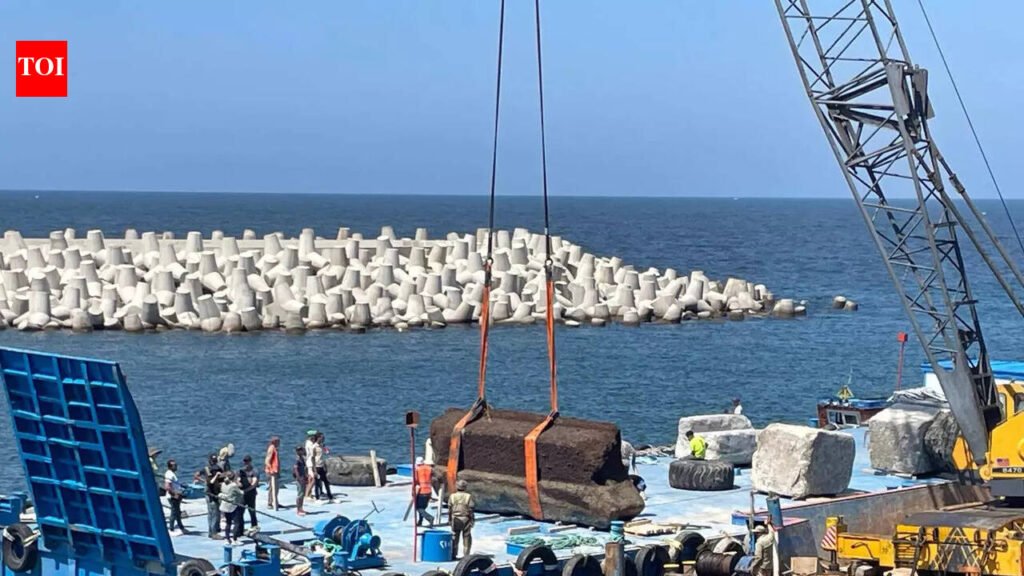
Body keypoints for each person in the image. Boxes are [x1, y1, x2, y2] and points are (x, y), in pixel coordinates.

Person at [448, 479, 475, 558]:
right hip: (465, 519)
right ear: (465, 487)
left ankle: (453, 554)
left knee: (455, 537)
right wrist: (472, 519)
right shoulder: (468, 496)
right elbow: (471, 509)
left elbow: (449, 509)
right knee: (467, 537)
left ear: (457, 487)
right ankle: (466, 555)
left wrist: (449, 519)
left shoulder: (452, 496)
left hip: (455, 519)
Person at [200, 454, 224, 538]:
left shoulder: (213, 469)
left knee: (211, 513)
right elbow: (211, 482)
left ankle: (211, 531)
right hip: (212, 494)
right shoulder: (211, 470)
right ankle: (213, 533)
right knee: (214, 513)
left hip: (211, 493)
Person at [219, 472, 244, 544]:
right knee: (236, 522)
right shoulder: (233, 485)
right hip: (232, 505)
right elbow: (241, 493)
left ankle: (227, 539)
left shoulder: (223, 484)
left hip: (224, 505)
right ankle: (234, 539)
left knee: (228, 522)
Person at [164, 459, 186, 534]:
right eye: (174, 465)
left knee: (177, 512)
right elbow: (167, 486)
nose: (176, 466)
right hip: (172, 496)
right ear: (170, 466)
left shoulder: (172, 474)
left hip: (177, 495)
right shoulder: (169, 474)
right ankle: (171, 529)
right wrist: (174, 494)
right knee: (174, 512)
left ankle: (181, 527)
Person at [239, 455, 260, 529]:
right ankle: (240, 529)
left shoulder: (254, 471)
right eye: (245, 461)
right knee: (240, 512)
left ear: (250, 461)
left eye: (247, 461)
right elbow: (237, 480)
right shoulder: (241, 471)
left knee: (252, 511)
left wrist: (246, 490)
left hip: (251, 494)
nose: (246, 463)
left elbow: (254, 484)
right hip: (242, 495)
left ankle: (254, 526)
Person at [413, 456, 434, 526]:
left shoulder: (417, 469)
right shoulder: (429, 468)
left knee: (419, 508)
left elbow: (415, 481)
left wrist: (413, 492)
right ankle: (420, 521)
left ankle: (429, 518)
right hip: (429, 490)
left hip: (421, 491)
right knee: (423, 508)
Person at [313, 433, 333, 502]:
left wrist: (324, 447)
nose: (323, 439)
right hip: (317, 466)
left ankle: (330, 496)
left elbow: (326, 453)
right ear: (318, 438)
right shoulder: (314, 447)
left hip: (321, 465)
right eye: (321, 438)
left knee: (326, 482)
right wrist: (314, 470)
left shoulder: (321, 446)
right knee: (317, 483)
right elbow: (312, 458)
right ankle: (317, 497)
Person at [265, 436, 281, 511]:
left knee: (276, 488)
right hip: (272, 472)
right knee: (272, 488)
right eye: (278, 441)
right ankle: (270, 503)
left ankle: (275, 501)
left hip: (275, 471)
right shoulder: (271, 448)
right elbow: (267, 460)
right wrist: (271, 470)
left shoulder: (275, 448)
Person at [293, 446, 308, 516]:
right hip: (300, 479)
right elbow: (295, 469)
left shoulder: (302, 458)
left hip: (303, 477)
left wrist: (306, 476)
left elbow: (304, 468)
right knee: (300, 494)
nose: (301, 451)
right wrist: (299, 478)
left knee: (302, 494)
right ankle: (298, 509)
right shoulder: (297, 459)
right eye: (300, 450)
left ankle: (301, 508)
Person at [304, 431, 318, 501]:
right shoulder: (310, 444)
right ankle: (307, 495)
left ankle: (309, 493)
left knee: (310, 479)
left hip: (309, 462)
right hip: (310, 463)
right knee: (313, 479)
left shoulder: (307, 443)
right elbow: (312, 455)